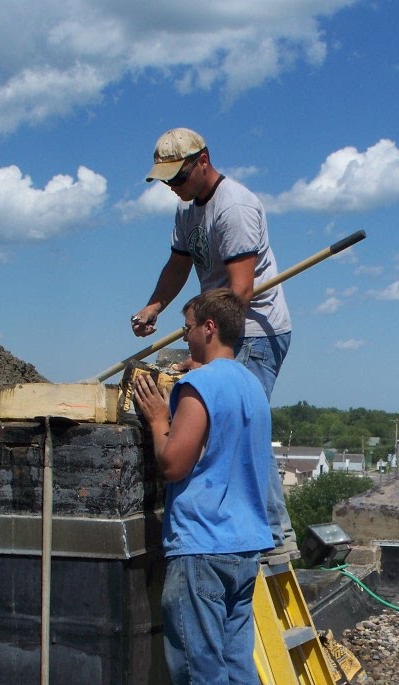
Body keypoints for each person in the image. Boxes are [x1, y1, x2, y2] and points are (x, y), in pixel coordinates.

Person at [133, 289, 275, 685]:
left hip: (202, 544)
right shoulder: (251, 385)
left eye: (189, 326)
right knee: (236, 660)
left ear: (209, 327)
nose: (184, 335)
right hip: (244, 544)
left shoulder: (198, 386)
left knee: (199, 667)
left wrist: (154, 415)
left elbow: (173, 463)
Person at [130, 127, 296, 560]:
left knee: (244, 426)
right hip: (214, 327)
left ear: (202, 160)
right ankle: (236, 524)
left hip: (250, 329)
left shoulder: (234, 207)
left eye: (178, 178)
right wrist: (154, 306)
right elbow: (178, 264)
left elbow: (238, 293)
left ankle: (275, 537)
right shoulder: (188, 211)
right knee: (207, 421)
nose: (173, 188)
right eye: (166, 181)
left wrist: (200, 357)